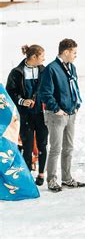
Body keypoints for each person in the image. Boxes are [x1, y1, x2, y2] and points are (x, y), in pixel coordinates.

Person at [38, 38, 85, 192]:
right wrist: (56, 108)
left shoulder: (72, 67)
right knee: (56, 148)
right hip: (56, 115)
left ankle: (67, 178)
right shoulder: (51, 69)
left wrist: (76, 105)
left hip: (71, 113)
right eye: (74, 52)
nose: (75, 55)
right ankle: (51, 180)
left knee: (68, 148)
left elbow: (74, 87)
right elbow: (44, 93)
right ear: (66, 52)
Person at [6, 45, 48, 186]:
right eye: (42, 56)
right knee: (27, 147)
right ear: (34, 57)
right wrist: (22, 101)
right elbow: (9, 93)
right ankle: (27, 176)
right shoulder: (16, 72)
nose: (44, 59)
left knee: (42, 145)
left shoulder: (44, 70)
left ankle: (41, 174)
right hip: (25, 116)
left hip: (42, 115)